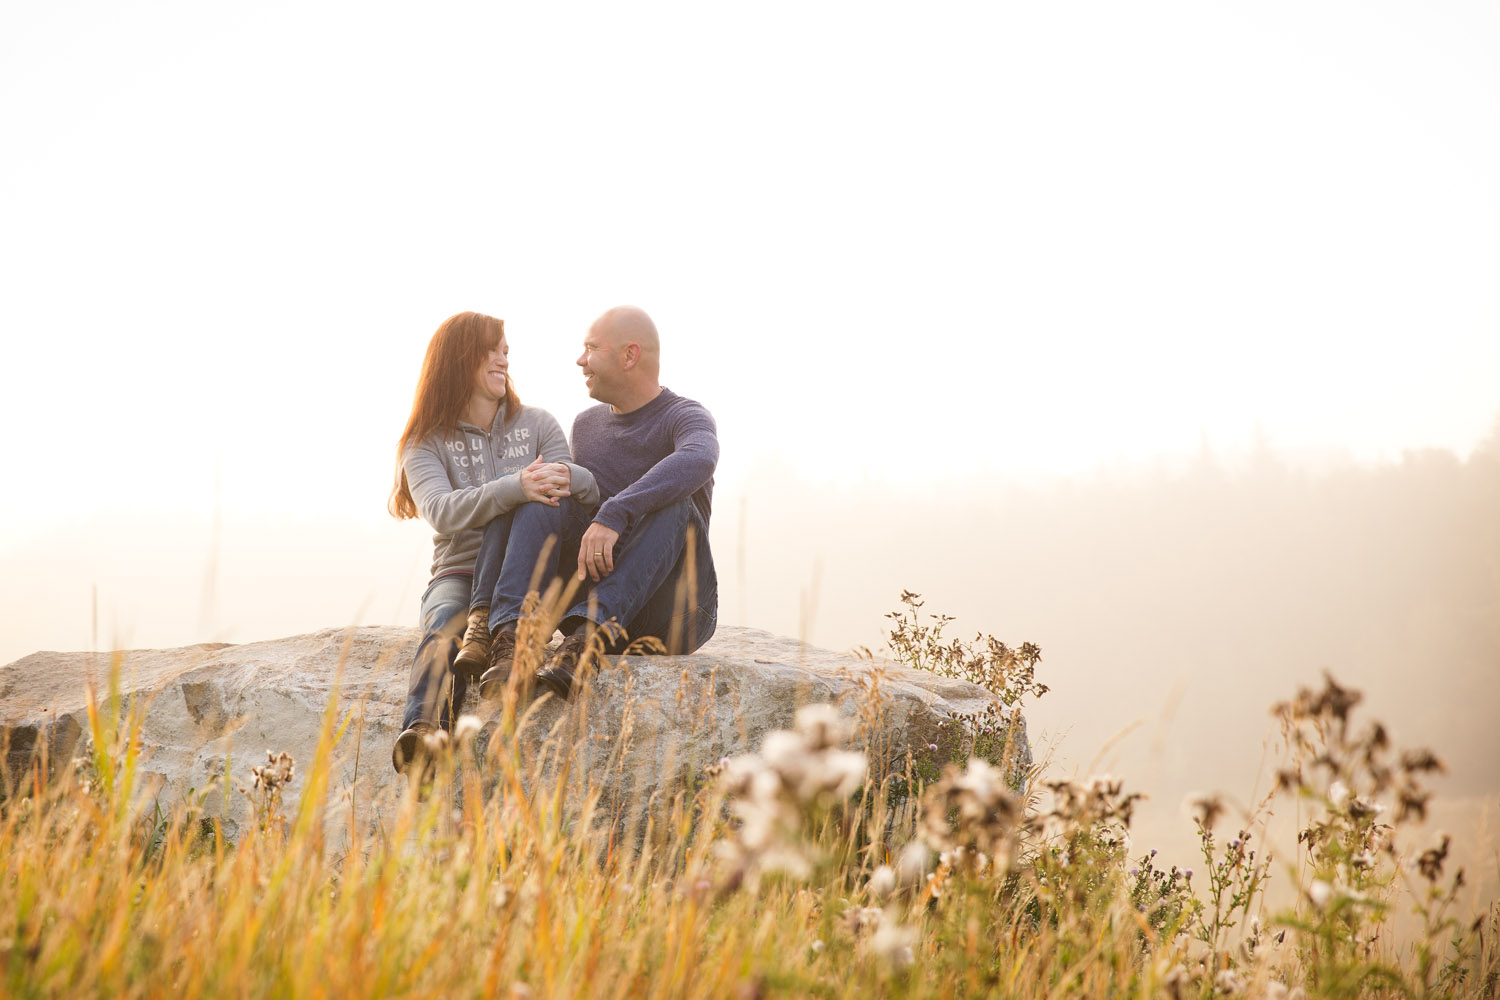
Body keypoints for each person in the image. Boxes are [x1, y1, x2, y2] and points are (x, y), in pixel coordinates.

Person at [388, 311, 598, 774]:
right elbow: (441, 511)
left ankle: (500, 634)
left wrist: (569, 476)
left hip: (530, 569)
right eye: (493, 349)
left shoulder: (539, 423)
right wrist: (515, 487)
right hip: (460, 569)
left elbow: (569, 497)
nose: (504, 359)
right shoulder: (424, 442)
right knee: (445, 622)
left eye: (506, 350)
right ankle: (424, 730)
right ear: (458, 359)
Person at [479, 305, 718, 702]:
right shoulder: (586, 425)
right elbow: (577, 517)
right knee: (547, 492)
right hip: (602, 599)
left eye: (591, 348)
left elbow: (699, 458)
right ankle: (513, 643)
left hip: (673, 611)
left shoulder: (685, 416)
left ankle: (588, 637)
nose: (580, 360)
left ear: (629, 355)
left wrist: (617, 510)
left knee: (676, 504)